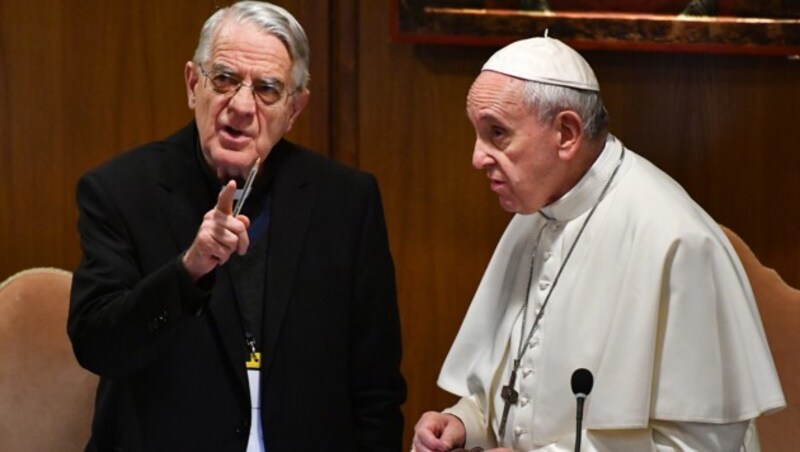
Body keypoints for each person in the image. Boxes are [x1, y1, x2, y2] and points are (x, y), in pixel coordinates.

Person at [412, 36, 785, 451]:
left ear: (567, 133)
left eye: (497, 133)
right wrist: (463, 423)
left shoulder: (676, 239)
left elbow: (701, 445)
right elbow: (514, 392)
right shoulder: (538, 211)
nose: (477, 158)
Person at [68, 2, 406, 450]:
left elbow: (376, 388)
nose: (242, 106)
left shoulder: (345, 202)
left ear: (295, 108)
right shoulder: (120, 191)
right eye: (224, 79)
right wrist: (188, 271)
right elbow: (99, 347)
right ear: (193, 85)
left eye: (267, 89)